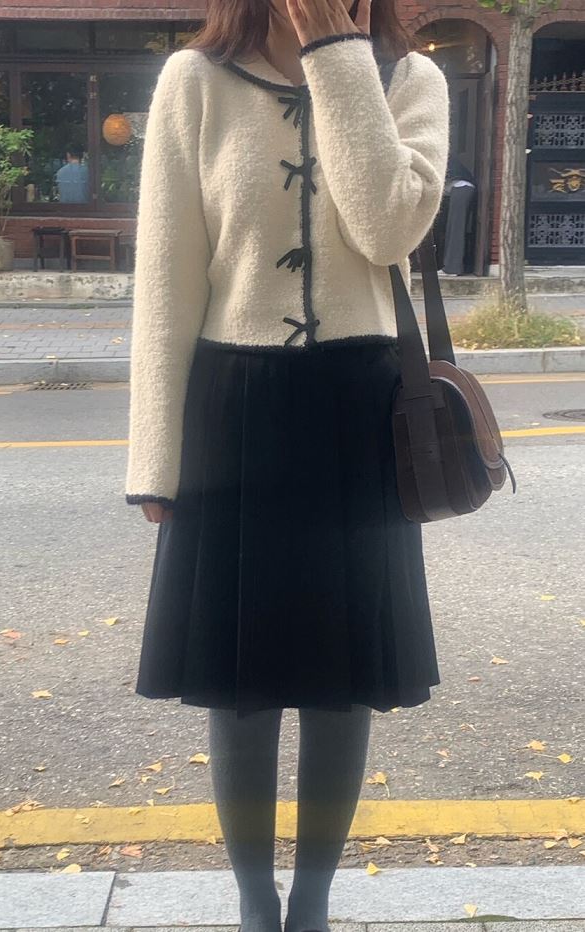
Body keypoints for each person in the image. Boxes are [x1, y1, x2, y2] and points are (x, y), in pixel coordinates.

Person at [125, 2, 449, 932]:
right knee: (241, 682)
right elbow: (167, 279)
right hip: (232, 408)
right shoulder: (194, 81)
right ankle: (254, 903)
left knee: (343, 684)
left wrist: (337, 54)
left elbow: (387, 228)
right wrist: (155, 457)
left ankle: (312, 903)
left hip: (362, 408)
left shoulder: (409, 79)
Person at [439, 154, 476, 275]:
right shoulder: (444, 158)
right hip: (461, 189)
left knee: (456, 228)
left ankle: (452, 268)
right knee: (454, 228)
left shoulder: (441, 158)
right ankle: (451, 267)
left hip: (461, 188)